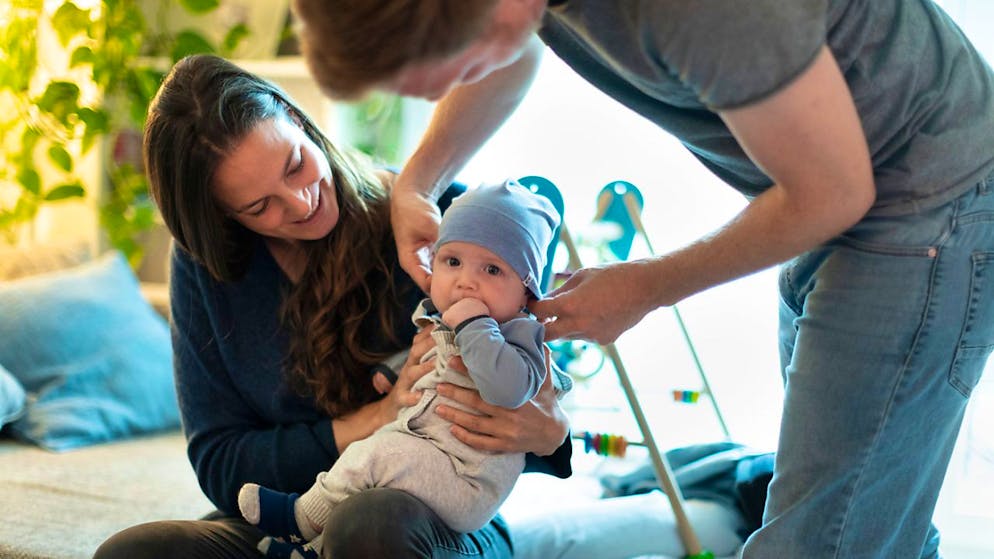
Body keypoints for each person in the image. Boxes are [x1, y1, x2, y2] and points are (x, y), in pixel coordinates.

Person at [290, 1, 994, 557]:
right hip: (835, 199)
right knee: (870, 516)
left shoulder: (699, 9)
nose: (445, 88)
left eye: (442, 66)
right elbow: (510, 39)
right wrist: (420, 179)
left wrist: (648, 285)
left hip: (922, 199)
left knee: (821, 538)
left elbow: (835, 189)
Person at [93, 54, 574, 559]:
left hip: (428, 526)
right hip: (288, 520)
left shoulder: (453, 229)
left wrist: (550, 434)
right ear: (223, 218)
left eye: (296, 164)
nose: (301, 203)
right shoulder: (207, 267)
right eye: (260, 207)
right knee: (133, 554)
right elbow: (221, 464)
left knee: (366, 527)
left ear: (297, 118)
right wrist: (376, 418)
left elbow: (537, 400)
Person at [237, 180, 569, 558]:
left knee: (381, 455)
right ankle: (311, 548)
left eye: (492, 269)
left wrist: (476, 327)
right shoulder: (438, 322)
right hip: (426, 458)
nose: (466, 281)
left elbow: (508, 389)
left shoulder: (520, 337)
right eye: (453, 262)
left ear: (526, 293)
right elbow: (426, 355)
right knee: (369, 465)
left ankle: (301, 516)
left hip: (466, 481)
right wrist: (393, 372)